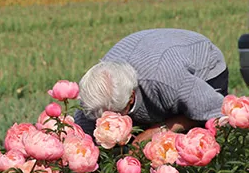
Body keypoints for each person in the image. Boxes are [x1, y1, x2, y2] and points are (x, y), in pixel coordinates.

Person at [74, 29, 229, 144]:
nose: (109, 120)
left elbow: (217, 112)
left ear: (131, 97)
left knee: (196, 139)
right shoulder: (95, 95)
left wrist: (155, 131)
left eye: (117, 114)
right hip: (148, 52)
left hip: (202, 62)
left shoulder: (167, 80)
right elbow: (83, 136)